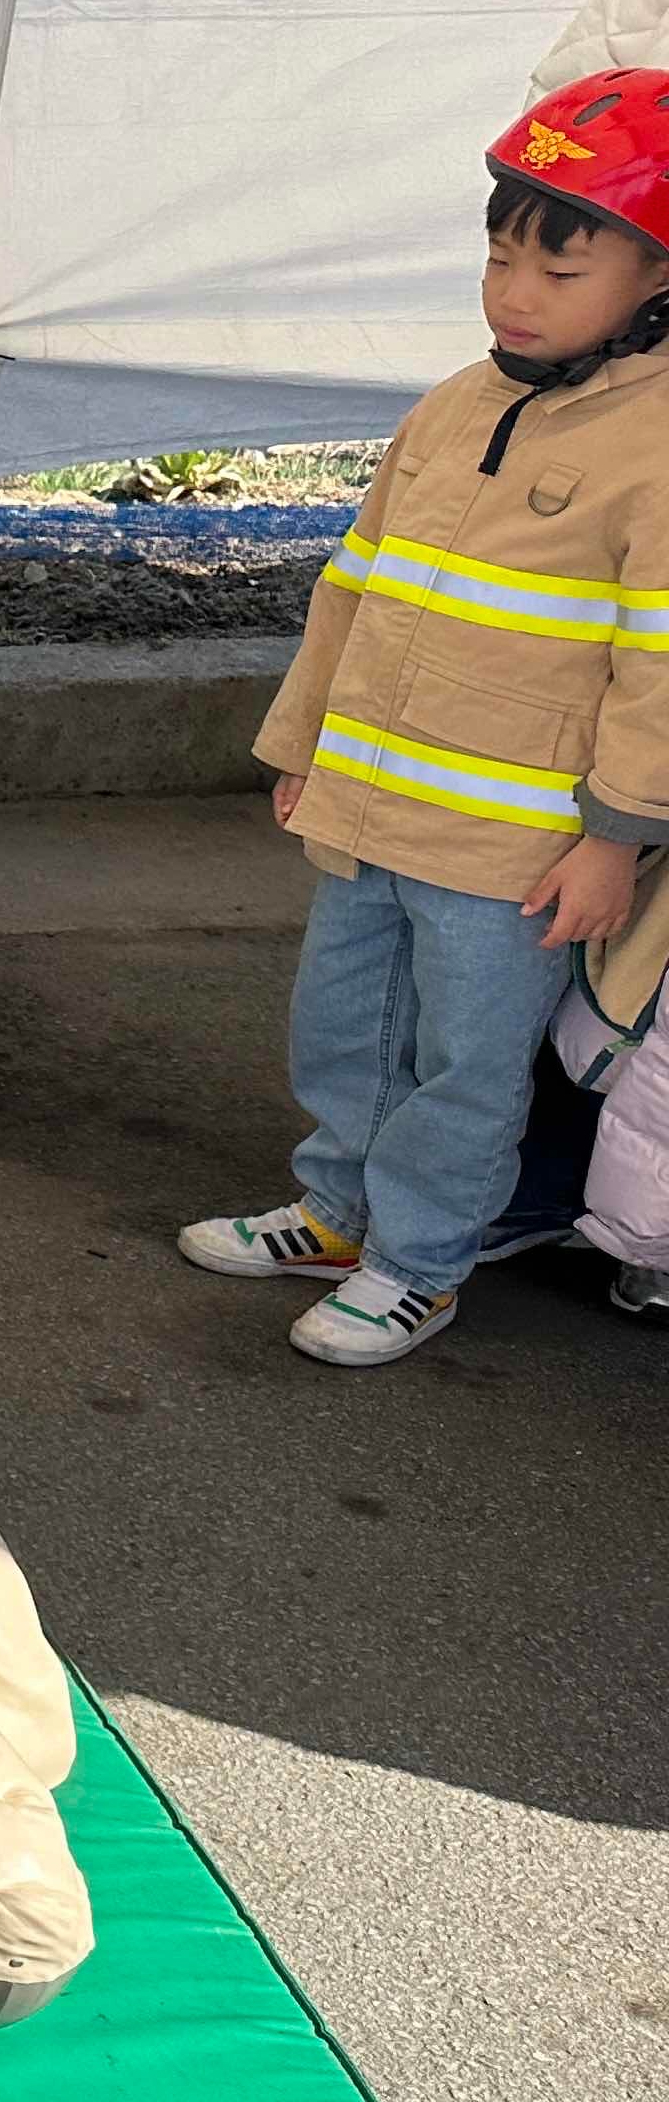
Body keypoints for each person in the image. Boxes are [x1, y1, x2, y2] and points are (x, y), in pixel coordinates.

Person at [181, 73, 669, 1364]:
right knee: (340, 1026)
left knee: (466, 1070)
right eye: (501, 257)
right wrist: (301, 747)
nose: (515, 293)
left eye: (560, 275)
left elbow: (659, 671)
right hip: (368, 809)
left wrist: (615, 838)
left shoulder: (660, 443)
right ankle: (336, 1210)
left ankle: (419, 1263)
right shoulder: (453, 404)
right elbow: (357, 586)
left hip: (513, 854)